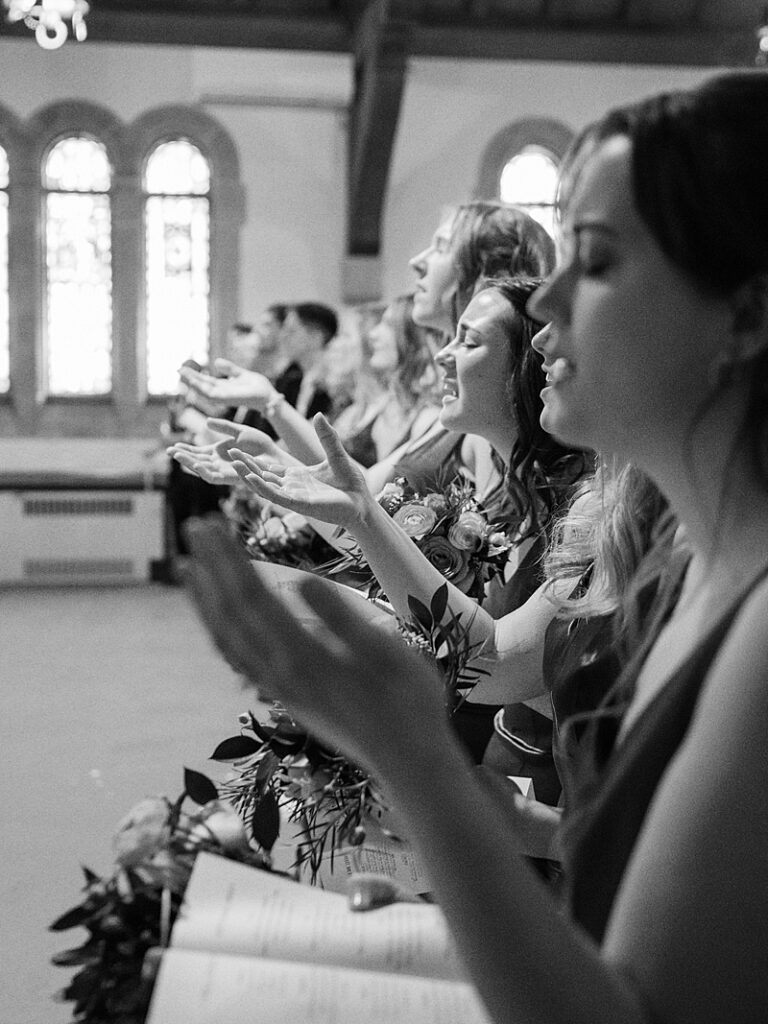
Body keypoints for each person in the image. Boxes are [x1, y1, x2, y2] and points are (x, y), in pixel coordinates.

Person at [186, 71, 768, 1023]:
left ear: (744, 317)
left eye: (600, 260)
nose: (547, 309)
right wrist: (459, 919)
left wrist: (410, 755)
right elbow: (606, 870)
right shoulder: (687, 555)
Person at [225, 277, 587, 770]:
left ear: (527, 364)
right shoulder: (522, 492)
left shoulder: (578, 504)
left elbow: (493, 660)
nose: (445, 354)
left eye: (469, 340)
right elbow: (364, 505)